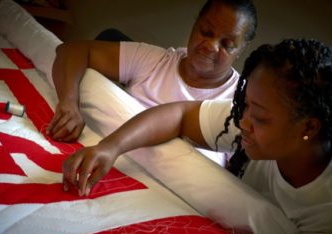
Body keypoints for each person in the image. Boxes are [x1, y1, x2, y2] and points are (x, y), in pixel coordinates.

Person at [61, 38, 332, 234]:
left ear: (308, 127)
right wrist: (110, 147)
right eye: (245, 105)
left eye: (259, 117)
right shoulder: (244, 120)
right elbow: (179, 114)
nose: (244, 122)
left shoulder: (325, 214)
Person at [46, 0, 257, 145]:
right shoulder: (155, 61)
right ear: (195, 24)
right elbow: (72, 50)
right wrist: (69, 103)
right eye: (206, 32)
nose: (211, 46)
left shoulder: (245, 103)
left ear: (241, 50)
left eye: (227, 44)